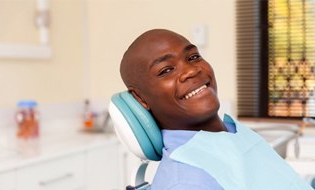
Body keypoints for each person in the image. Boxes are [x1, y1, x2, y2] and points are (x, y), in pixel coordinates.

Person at [119, 29, 312, 190]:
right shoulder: (186, 180)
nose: (192, 70)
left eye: (193, 57)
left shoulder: (232, 132)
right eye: (166, 70)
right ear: (140, 98)